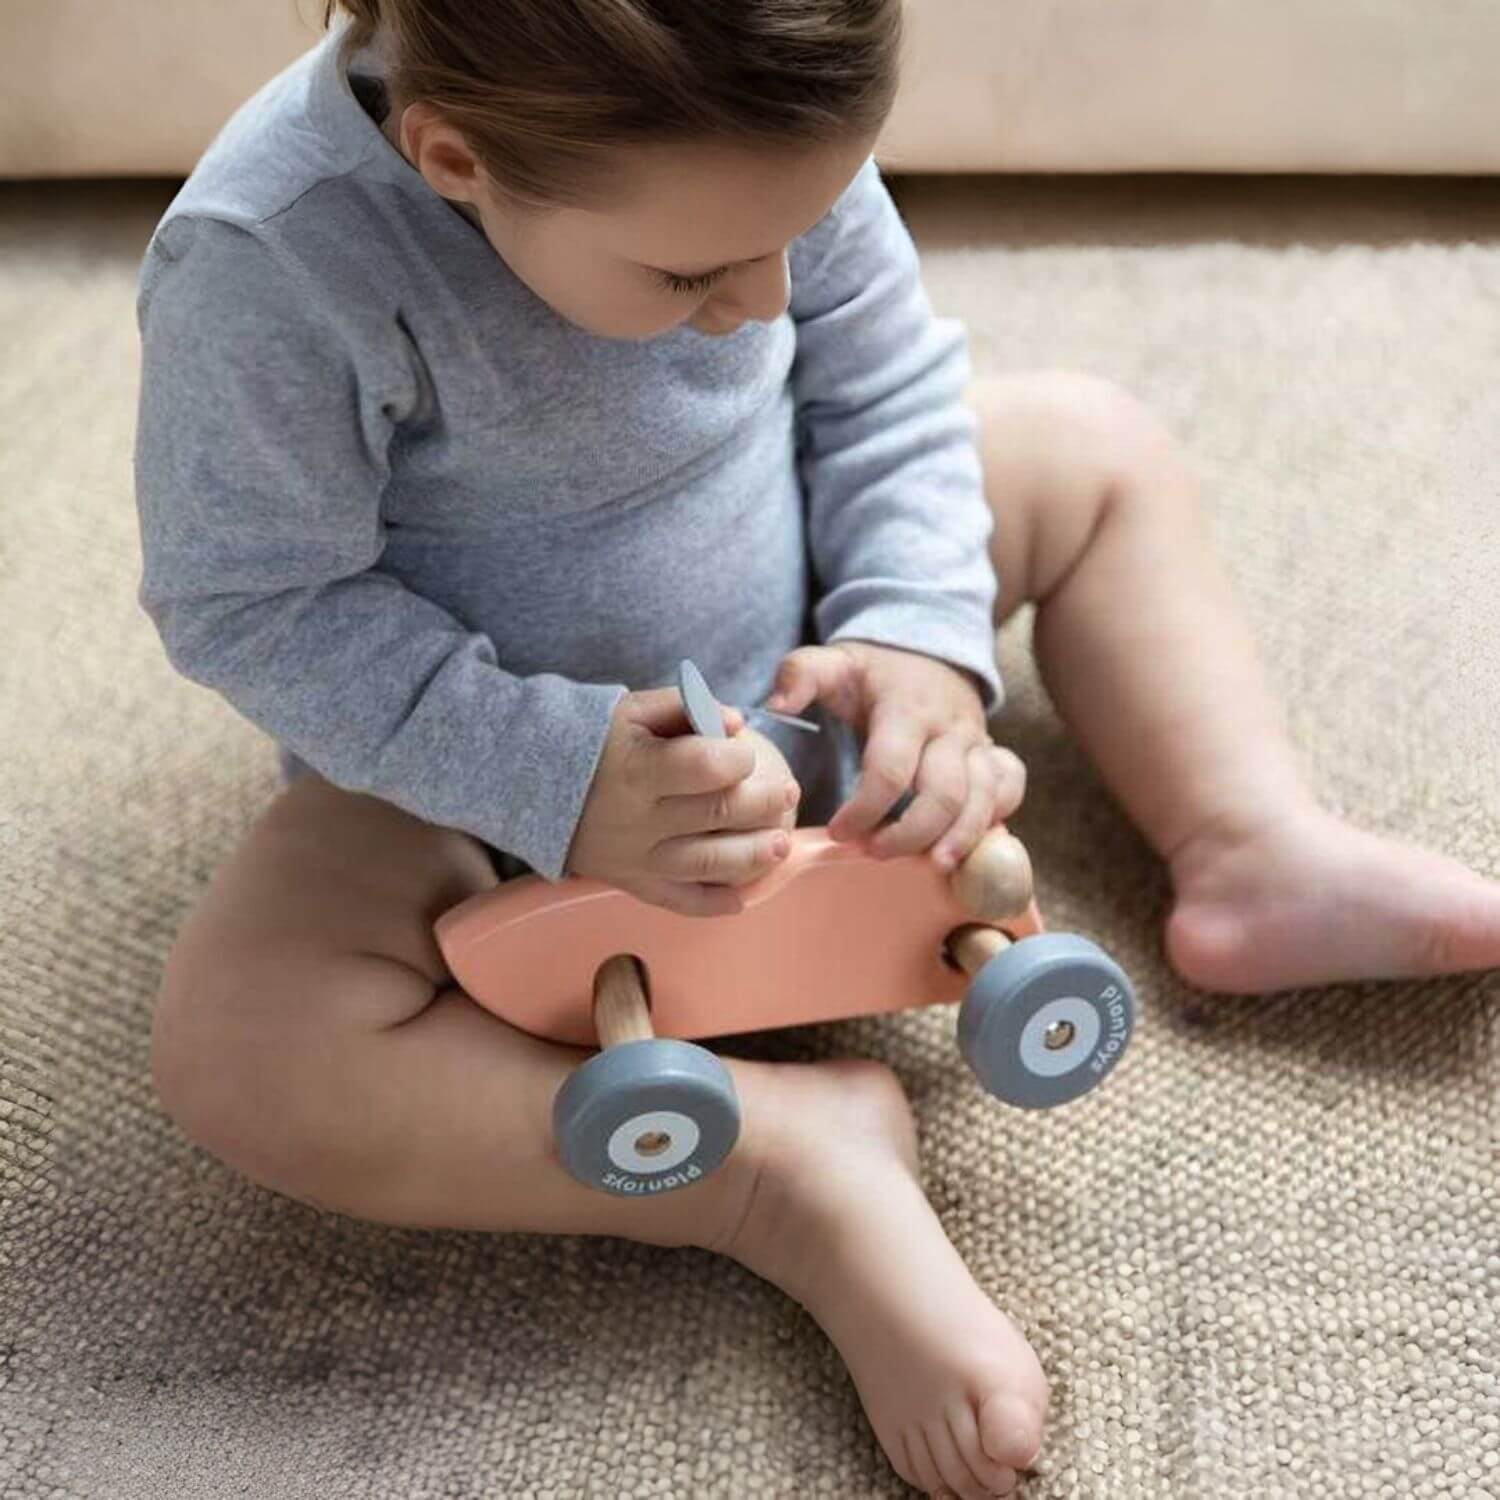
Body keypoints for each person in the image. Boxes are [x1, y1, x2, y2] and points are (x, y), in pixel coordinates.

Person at [133, 3, 1500, 1494]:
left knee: (1088, 446)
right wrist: (558, 775)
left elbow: (886, 390)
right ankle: (778, 1173)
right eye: (696, 271)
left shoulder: (749, 117)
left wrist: (917, 641)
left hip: (808, 643)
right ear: (456, 161)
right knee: (240, 1046)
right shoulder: (274, 260)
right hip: (499, 794)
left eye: (803, 224)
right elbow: (256, 603)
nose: (765, 297)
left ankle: (1248, 840)